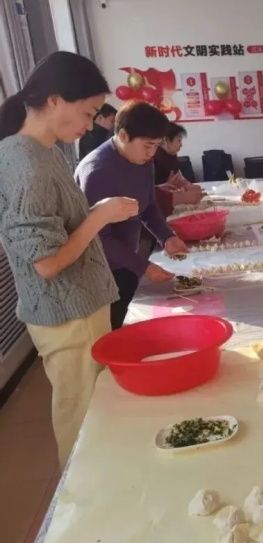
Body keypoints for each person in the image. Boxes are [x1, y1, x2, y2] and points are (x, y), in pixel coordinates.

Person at [0, 51, 139, 465]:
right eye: (88, 112)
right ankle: (79, 500)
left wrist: (98, 213)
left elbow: (60, 230)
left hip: (81, 307)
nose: (90, 125)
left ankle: (99, 488)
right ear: (55, 100)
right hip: (67, 315)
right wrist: (100, 216)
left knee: (94, 410)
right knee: (81, 418)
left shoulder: (44, 152)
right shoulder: (25, 163)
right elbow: (46, 263)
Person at [76, 101, 187, 329]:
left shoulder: (142, 159)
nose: (152, 153)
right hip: (100, 270)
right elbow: (99, 238)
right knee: (109, 328)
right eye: (147, 145)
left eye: (156, 145)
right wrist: (143, 266)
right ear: (123, 135)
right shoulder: (97, 171)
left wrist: (166, 236)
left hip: (127, 259)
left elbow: (147, 205)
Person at [152, 122, 203, 216]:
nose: (181, 145)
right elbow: (148, 190)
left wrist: (188, 185)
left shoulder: (170, 157)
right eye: (179, 141)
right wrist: (165, 186)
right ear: (166, 140)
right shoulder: (153, 159)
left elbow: (179, 178)